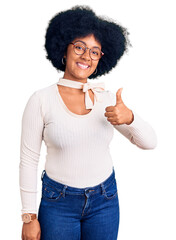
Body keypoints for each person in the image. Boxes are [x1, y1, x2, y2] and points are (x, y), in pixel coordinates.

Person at [19, 5, 157, 240]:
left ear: (102, 58)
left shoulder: (107, 99)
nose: (86, 56)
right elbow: (28, 160)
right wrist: (29, 217)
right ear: (64, 49)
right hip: (58, 204)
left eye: (95, 51)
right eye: (80, 47)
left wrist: (130, 118)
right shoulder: (41, 100)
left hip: (105, 201)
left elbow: (150, 142)